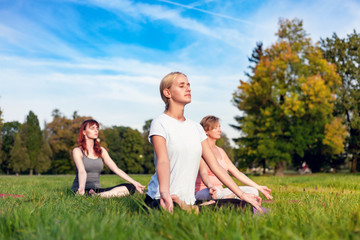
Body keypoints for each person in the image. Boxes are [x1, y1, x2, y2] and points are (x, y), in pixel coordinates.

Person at [145, 72, 262, 213]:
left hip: (188, 199)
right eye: (182, 86)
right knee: (171, 209)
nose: (188, 89)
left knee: (244, 206)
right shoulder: (160, 123)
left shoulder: (196, 128)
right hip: (160, 197)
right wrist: (164, 193)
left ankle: (193, 208)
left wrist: (242, 194)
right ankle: (194, 209)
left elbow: (215, 166)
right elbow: (162, 161)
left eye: (188, 85)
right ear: (167, 92)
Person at [195, 116, 273, 201]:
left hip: (221, 191)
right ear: (206, 131)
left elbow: (237, 173)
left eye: (219, 127)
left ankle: (228, 198)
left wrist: (258, 187)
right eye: (215, 128)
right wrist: (210, 186)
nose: (219, 130)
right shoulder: (201, 150)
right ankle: (230, 199)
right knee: (216, 193)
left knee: (253, 191)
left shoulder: (221, 151)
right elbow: (203, 173)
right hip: (204, 191)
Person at [71, 119, 145, 198]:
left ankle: (98, 196)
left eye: (97, 128)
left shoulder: (101, 150)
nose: (96, 130)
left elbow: (116, 169)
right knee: (121, 192)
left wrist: (135, 183)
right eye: (92, 128)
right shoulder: (77, 151)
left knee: (130, 187)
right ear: (84, 132)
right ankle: (98, 196)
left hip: (97, 190)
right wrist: (81, 188)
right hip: (82, 189)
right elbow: (82, 171)